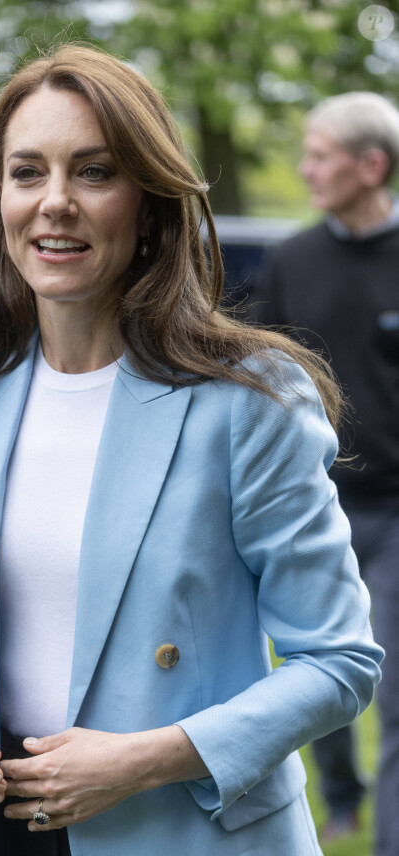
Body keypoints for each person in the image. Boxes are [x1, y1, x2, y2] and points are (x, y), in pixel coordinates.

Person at [0, 46, 383, 856]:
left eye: (93, 172)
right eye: (26, 172)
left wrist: (145, 759)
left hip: (186, 827)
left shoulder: (249, 398)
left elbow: (337, 661)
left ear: (151, 203)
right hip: (1, 830)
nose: (54, 203)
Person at [256, 91, 399, 855]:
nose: (306, 168)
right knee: (315, 678)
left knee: (398, 696)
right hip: (312, 509)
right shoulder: (292, 257)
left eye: (320, 155)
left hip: (397, 515)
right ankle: (341, 796)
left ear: (370, 165)